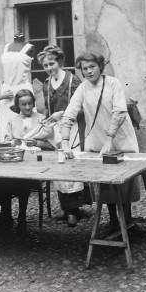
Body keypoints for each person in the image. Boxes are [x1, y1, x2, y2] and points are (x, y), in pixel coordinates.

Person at [60, 52, 141, 235]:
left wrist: (110, 139)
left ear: (100, 66)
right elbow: (69, 113)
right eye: (84, 69)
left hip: (120, 138)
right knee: (105, 184)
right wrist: (65, 142)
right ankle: (113, 220)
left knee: (125, 182)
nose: (89, 72)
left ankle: (128, 221)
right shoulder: (82, 88)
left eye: (92, 67)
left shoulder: (113, 83)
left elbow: (120, 111)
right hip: (97, 141)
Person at [38, 45, 90, 228]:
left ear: (59, 62)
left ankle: (75, 209)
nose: (49, 68)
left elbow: (84, 108)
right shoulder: (46, 84)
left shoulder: (72, 80)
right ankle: (68, 208)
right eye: (45, 65)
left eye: (51, 63)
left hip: (74, 126)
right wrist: (46, 119)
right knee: (60, 169)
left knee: (73, 166)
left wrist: (62, 114)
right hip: (57, 130)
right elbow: (48, 108)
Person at [0, 89, 54, 234]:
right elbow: (6, 143)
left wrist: (37, 143)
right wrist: (13, 142)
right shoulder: (13, 121)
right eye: (23, 104)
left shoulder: (42, 119)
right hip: (15, 163)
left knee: (22, 181)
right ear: (18, 105)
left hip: (35, 166)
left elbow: (52, 146)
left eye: (29, 104)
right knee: (2, 180)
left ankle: (21, 218)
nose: (27, 107)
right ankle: (5, 216)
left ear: (33, 103)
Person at [0, 31, 34, 138]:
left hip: (22, 88)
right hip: (7, 90)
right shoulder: (6, 47)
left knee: (25, 124)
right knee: (6, 125)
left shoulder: (29, 47)